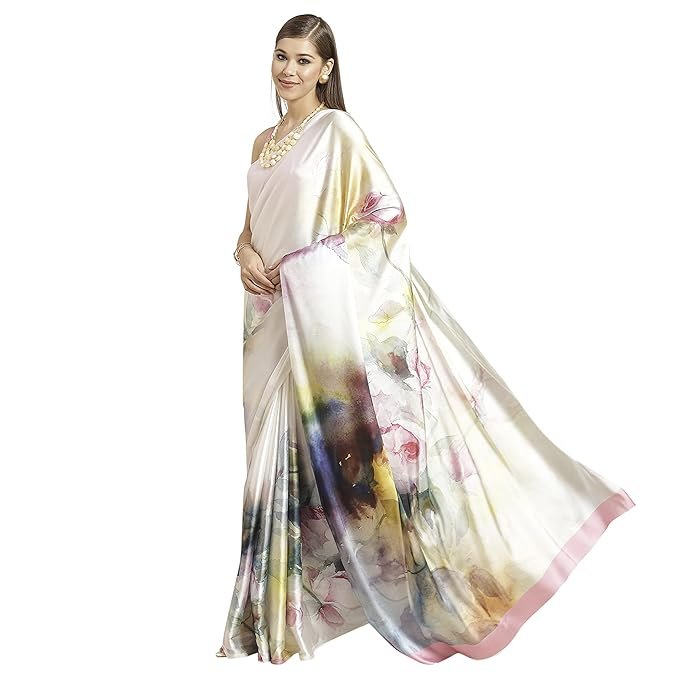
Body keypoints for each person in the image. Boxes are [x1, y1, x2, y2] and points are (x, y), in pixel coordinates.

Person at [215, 13, 635, 666]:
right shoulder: (261, 141)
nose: (288, 70)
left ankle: (392, 591)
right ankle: (278, 613)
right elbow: (250, 228)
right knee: (270, 460)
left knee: (342, 457)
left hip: (319, 319)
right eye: (281, 56)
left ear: (326, 69)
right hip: (268, 319)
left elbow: (383, 214)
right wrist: (240, 250)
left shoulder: (336, 131)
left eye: (303, 60)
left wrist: (304, 267)